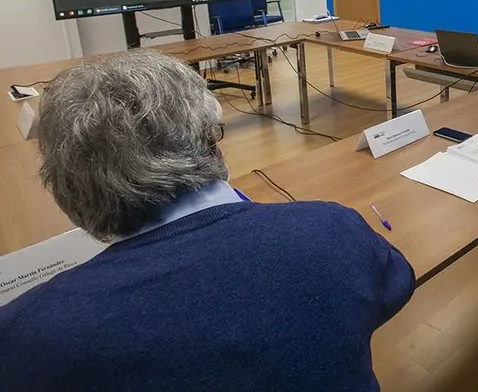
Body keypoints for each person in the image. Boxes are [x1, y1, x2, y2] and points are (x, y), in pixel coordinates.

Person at [0, 50, 415, 391]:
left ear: (64, 183)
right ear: (210, 143)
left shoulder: (28, 333)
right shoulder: (331, 229)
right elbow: (395, 287)